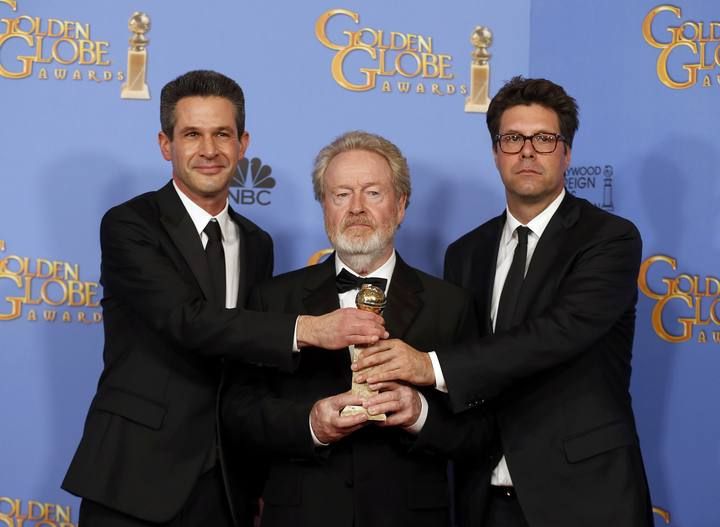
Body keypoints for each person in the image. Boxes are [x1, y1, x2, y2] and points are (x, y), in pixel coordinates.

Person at [61, 70, 387, 527]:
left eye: (222, 134)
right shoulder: (130, 225)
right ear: (164, 144)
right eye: (192, 134)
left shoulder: (257, 243)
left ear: (243, 143)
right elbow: (186, 319)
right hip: (134, 476)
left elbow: (249, 362)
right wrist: (309, 328)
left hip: (226, 485)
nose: (209, 150)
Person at [354, 77, 653, 527]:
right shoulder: (465, 252)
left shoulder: (609, 239)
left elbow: (556, 334)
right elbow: (473, 368)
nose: (527, 151)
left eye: (544, 139)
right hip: (483, 499)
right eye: (512, 139)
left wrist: (429, 366)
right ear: (495, 152)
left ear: (567, 153)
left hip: (585, 497)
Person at [222, 131, 490, 527]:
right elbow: (239, 413)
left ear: (400, 206)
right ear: (324, 207)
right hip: (302, 515)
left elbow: (479, 431)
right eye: (341, 195)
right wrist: (310, 424)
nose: (357, 208)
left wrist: (419, 414)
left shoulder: (451, 304)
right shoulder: (273, 300)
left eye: (373, 193)